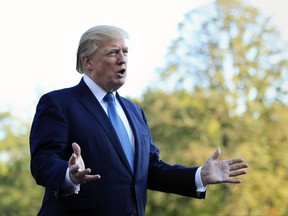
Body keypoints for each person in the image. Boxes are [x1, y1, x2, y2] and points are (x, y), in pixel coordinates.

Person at [29, 25, 248, 216]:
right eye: (113, 52)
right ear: (88, 62)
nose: (122, 59)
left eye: (125, 52)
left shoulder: (135, 112)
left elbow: (150, 170)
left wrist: (198, 175)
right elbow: (43, 161)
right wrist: (69, 175)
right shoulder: (58, 103)